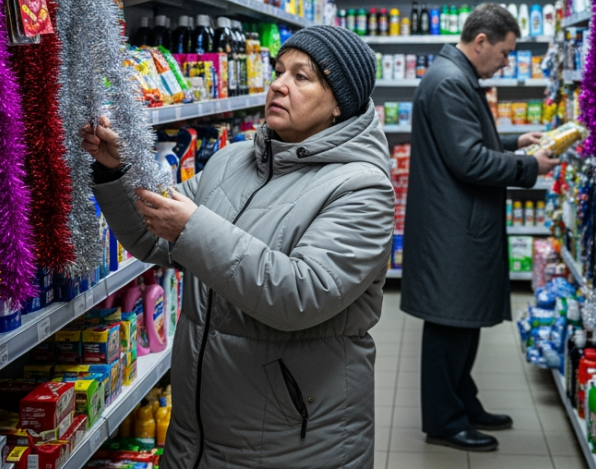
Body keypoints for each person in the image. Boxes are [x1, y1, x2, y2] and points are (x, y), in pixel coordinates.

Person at [81, 25, 394, 469]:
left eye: (302, 77)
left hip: (295, 439)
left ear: (339, 102)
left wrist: (194, 228)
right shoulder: (233, 159)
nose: (279, 84)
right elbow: (155, 236)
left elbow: (300, 295)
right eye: (279, 70)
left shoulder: (362, 189)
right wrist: (119, 170)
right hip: (199, 432)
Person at [400, 4, 561, 452]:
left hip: (456, 221)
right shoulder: (450, 82)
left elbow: (467, 141)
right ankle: (445, 421)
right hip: (452, 227)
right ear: (481, 42)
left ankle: (463, 402)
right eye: (506, 53)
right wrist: (530, 166)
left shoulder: (454, 75)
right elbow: (468, 160)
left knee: (461, 322)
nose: (507, 63)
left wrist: (513, 141)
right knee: (449, 324)